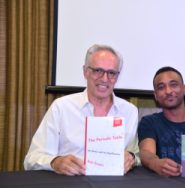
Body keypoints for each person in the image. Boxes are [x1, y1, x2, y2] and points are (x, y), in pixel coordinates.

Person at [24, 44, 140, 175]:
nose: (104, 79)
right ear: (85, 72)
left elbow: (136, 154)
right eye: (98, 71)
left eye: (111, 73)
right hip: (70, 186)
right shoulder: (61, 107)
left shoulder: (130, 111)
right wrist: (55, 162)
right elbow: (31, 159)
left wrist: (132, 157)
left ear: (117, 76)